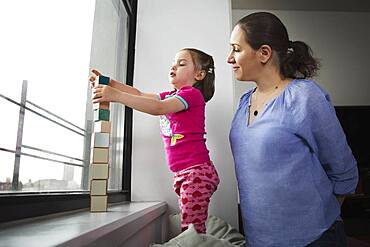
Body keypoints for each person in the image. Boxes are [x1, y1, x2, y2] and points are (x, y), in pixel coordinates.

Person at [227, 12, 358, 247]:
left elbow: (344, 170)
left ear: (264, 53)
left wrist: (316, 219)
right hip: (259, 240)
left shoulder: (305, 96)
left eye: (236, 49)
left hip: (315, 239)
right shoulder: (244, 102)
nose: (229, 58)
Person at [90, 48, 220, 234]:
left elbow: (158, 108)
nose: (174, 66)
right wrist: (110, 83)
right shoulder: (172, 95)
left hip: (196, 172)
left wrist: (116, 96)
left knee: (192, 229)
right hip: (184, 173)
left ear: (199, 74)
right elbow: (139, 94)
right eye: (173, 63)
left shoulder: (191, 94)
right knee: (190, 225)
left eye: (182, 64)